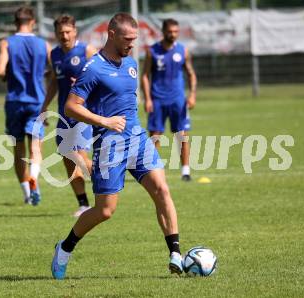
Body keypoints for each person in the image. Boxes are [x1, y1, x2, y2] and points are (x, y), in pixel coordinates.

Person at [51, 13, 183, 280]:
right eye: (128, 39)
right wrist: (104, 121)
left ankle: (176, 255)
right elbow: (71, 106)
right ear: (111, 34)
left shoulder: (132, 64)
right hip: (109, 146)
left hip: (138, 139)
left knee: (162, 190)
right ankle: (65, 248)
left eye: (135, 39)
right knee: (105, 211)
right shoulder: (93, 68)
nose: (132, 44)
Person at [41, 15, 97, 217]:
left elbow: (102, 78)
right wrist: (44, 106)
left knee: (80, 157)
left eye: (67, 32)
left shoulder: (87, 51)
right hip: (64, 116)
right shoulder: (54, 54)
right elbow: (55, 82)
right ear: (55, 34)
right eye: (60, 33)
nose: (64, 36)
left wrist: (83, 84)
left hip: (84, 113)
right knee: (67, 159)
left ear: (75, 31)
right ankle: (83, 205)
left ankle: (108, 184)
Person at [0, 6, 51, 205]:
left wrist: (9, 76)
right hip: (37, 101)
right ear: (33, 22)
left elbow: (0, 70)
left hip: (15, 102)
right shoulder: (43, 45)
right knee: (36, 148)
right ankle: (34, 177)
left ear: (15, 22)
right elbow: (53, 70)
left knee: (18, 151)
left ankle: (27, 194)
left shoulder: (7, 43)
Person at [141, 18, 197, 181]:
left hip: (178, 100)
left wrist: (192, 94)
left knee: (182, 135)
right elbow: (145, 75)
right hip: (157, 99)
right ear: (163, 32)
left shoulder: (183, 51)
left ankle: (185, 171)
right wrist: (147, 99)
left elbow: (191, 74)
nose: (173, 35)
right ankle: (153, 170)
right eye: (170, 31)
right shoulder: (152, 51)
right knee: (155, 135)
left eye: (176, 32)